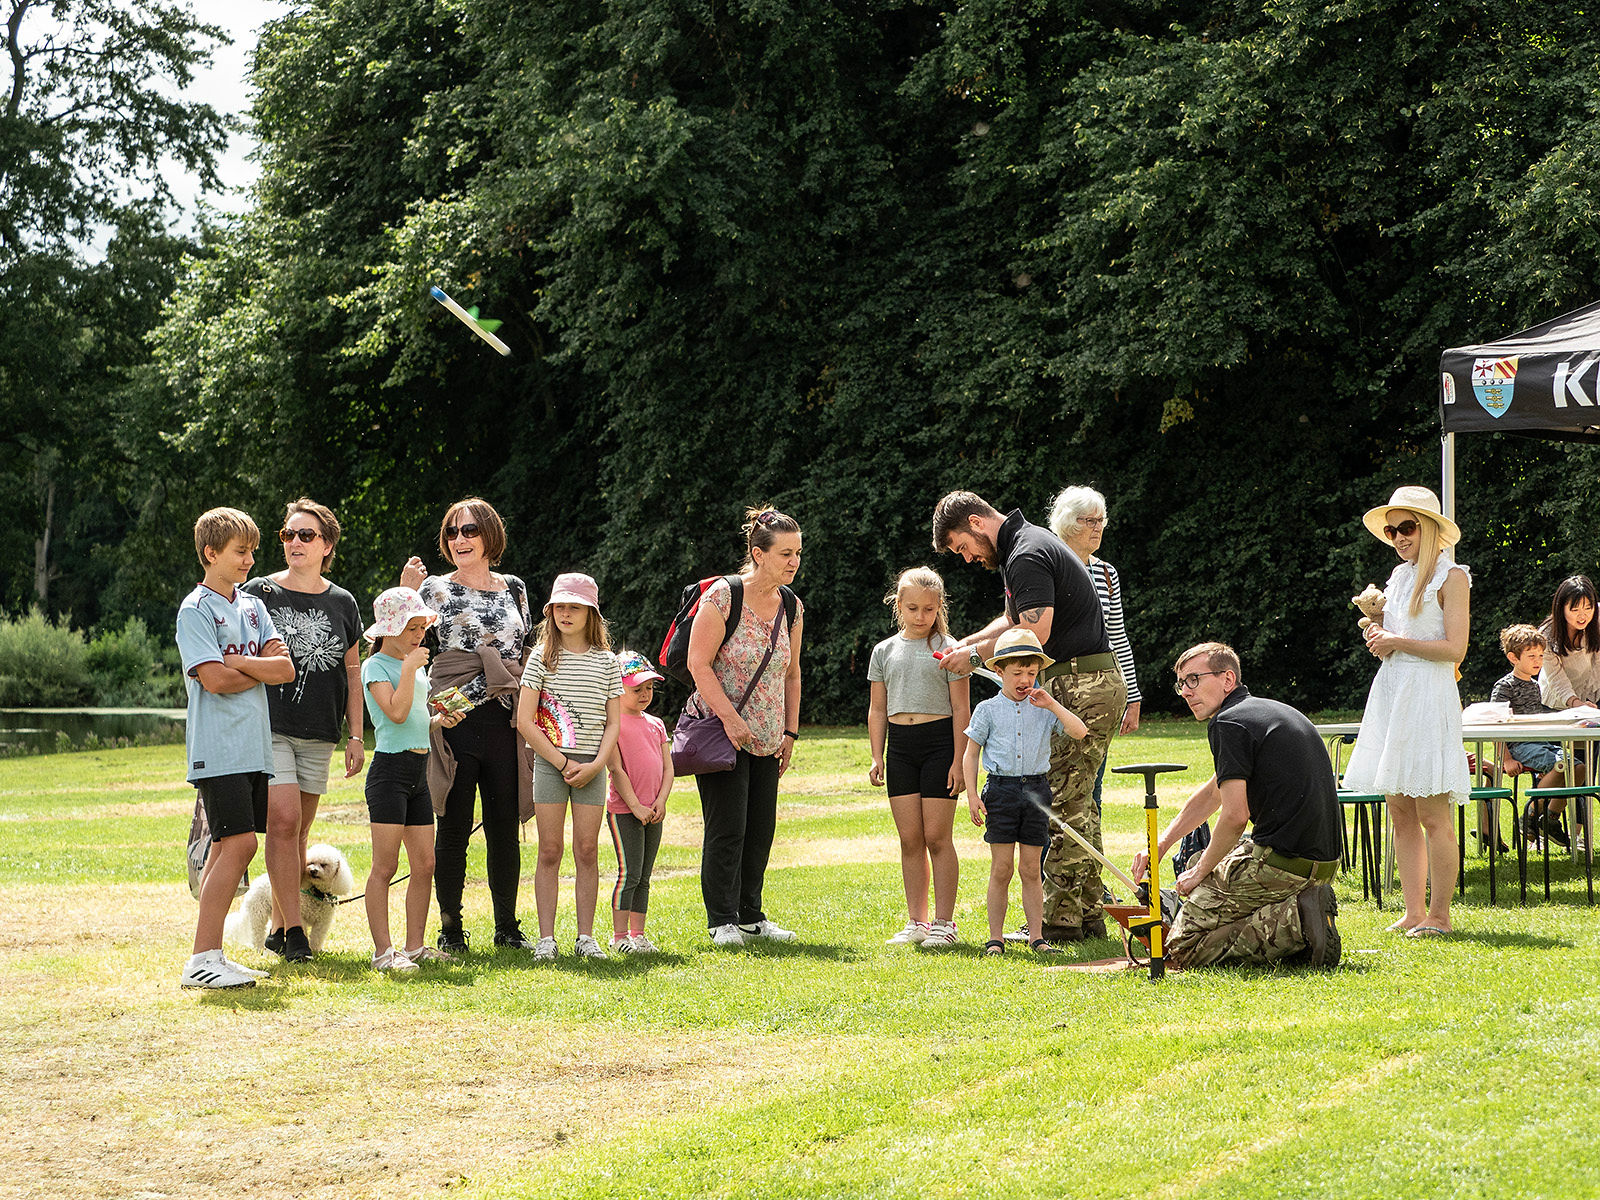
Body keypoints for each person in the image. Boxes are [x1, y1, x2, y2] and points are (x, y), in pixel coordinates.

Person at [931, 490, 1122, 943]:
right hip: (1088, 682)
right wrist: (964, 646)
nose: (969, 558)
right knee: (1079, 803)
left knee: (1060, 802)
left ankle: (1059, 922)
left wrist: (975, 659)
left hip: (1081, 686)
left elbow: (1033, 634)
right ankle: (1087, 914)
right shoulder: (1027, 545)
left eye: (963, 547)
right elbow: (1012, 620)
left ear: (977, 523)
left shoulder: (1027, 553)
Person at [1133, 642, 1343, 969]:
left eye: (1194, 680)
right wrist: (1162, 844)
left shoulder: (1229, 723)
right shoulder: (1263, 713)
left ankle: (1297, 922)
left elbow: (1234, 817)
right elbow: (1212, 794)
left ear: (1227, 679)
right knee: (1203, 865)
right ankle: (1300, 914)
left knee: (1179, 948)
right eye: (1181, 684)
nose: (1186, 692)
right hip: (1322, 866)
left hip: (1281, 865)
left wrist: (1199, 874)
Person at [401, 499, 535, 954]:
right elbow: (403, 642)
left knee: (503, 826)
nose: (460, 539)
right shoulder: (434, 588)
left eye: (470, 530)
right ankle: (450, 927)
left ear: (490, 535)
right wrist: (405, 592)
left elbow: (524, 653)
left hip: (505, 718)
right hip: (453, 717)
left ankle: (507, 927)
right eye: (453, 531)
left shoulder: (515, 588)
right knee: (453, 825)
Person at [1342, 485, 1471, 937]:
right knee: (1398, 807)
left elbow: (1455, 648)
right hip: (1394, 691)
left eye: (1408, 527)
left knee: (1433, 812)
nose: (1398, 536)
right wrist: (1378, 633)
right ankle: (1413, 911)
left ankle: (1441, 915)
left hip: (1428, 695)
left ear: (1431, 528)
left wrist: (1397, 641)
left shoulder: (1452, 578)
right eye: (1393, 529)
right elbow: (1394, 639)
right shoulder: (1398, 577)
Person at [240, 498, 364, 963]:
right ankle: (294, 931)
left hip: (320, 731)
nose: (294, 542)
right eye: (288, 535)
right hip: (270, 725)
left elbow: (353, 670)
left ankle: (275, 926)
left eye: (305, 535)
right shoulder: (258, 593)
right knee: (284, 821)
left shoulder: (342, 601)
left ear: (326, 545)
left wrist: (355, 735)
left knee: (300, 830)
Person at [177, 508, 295, 989]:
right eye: (240, 552)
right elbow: (215, 679)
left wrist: (240, 661)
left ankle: (213, 956)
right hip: (218, 749)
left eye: (251, 551)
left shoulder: (253, 607)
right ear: (211, 554)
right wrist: (254, 667)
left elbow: (285, 669)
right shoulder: (194, 610)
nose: (250, 560)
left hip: (253, 748)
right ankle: (201, 959)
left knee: (232, 844)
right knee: (241, 844)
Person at [687, 505, 805, 947]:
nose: (793, 562)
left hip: (769, 734)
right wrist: (731, 720)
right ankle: (722, 919)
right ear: (758, 553)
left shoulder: (792, 607)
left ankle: (752, 916)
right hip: (720, 730)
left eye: (797, 553)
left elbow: (792, 673)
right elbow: (698, 664)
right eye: (785, 553)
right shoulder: (723, 596)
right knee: (728, 827)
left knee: (760, 828)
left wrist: (790, 733)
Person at [516, 573, 623, 961]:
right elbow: (526, 720)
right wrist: (561, 761)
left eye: (574, 606)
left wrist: (595, 765)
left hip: (592, 769)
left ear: (590, 612)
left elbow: (614, 723)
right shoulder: (540, 656)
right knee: (549, 849)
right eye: (559, 606)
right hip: (550, 765)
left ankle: (585, 937)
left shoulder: (608, 662)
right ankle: (546, 939)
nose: (565, 613)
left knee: (587, 849)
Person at [963, 629, 1088, 956]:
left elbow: (1079, 731)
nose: (1025, 679)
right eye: (1017, 673)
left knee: (1031, 869)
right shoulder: (987, 710)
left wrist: (1052, 704)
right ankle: (996, 938)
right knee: (1001, 869)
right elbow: (970, 753)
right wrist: (972, 794)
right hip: (1001, 792)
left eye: (1031, 673)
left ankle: (1037, 937)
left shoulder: (1044, 706)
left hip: (1036, 790)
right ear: (999, 671)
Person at [867, 566, 969, 949]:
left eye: (929, 609)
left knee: (938, 837)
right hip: (901, 750)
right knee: (910, 839)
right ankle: (917, 921)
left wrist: (959, 761)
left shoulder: (950, 648)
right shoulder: (884, 651)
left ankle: (945, 923)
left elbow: (962, 710)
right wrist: (877, 756)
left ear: (939, 607)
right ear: (899, 605)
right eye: (912, 608)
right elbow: (878, 710)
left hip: (941, 745)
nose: (921, 616)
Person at [1048, 487, 1142, 833]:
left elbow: (1118, 637)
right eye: (1090, 520)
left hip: (1101, 692)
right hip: (1057, 688)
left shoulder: (1106, 573)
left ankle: (1089, 882)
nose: (1098, 527)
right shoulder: (1048, 564)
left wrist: (1132, 697)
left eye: (1101, 520)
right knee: (1056, 788)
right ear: (1069, 523)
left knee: (1092, 787)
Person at [605, 650, 673, 954]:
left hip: (653, 810)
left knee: (644, 875)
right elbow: (616, 769)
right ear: (619, 688)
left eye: (648, 688)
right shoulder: (613, 725)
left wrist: (660, 801)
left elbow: (668, 767)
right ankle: (619, 937)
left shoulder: (656, 724)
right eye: (637, 689)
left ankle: (638, 934)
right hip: (625, 810)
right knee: (629, 873)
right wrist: (635, 806)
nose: (645, 694)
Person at [1493, 623, 1578, 848]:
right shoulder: (1504, 686)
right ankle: (1530, 814)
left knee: (1579, 768)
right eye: (1531, 656)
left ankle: (1549, 819)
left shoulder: (1534, 685)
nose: (1538, 661)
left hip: (1541, 743)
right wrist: (1507, 758)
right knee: (1561, 765)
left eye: (1540, 655)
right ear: (1513, 657)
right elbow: (1494, 725)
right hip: (1520, 745)